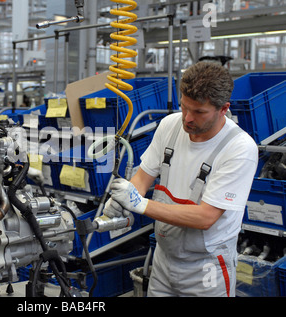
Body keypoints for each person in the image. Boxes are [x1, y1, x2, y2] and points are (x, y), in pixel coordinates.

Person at [104, 61, 259, 297]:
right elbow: (143, 177)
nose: (187, 118)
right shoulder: (170, 126)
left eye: (198, 112)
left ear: (223, 109)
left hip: (206, 268)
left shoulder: (239, 148)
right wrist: (124, 199)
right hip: (164, 258)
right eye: (184, 107)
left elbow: (206, 217)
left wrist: (140, 204)